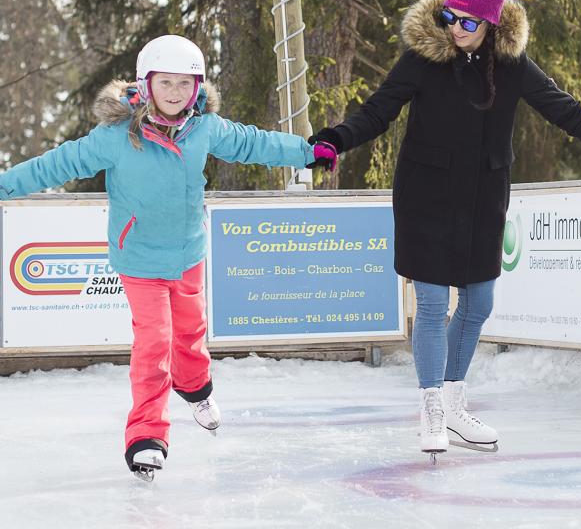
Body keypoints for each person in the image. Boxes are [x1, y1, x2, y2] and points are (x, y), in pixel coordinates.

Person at [308, 0, 581, 456]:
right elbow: (377, 111)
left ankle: (455, 401)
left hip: (483, 196)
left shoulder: (513, 66)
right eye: (449, 16)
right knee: (435, 307)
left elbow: (567, 111)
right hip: (426, 194)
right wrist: (335, 139)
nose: (455, 28)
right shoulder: (423, 59)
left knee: (479, 305)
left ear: (491, 24)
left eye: (466, 21)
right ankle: (432, 405)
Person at [0, 34, 337, 480]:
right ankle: (146, 436)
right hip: (139, 259)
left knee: (192, 332)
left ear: (197, 87)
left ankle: (196, 389)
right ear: (147, 83)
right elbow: (54, 165)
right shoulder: (116, 136)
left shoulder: (205, 128)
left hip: (188, 253)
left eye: (185, 84)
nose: (176, 93)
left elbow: (253, 143)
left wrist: (306, 151)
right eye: (167, 83)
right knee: (154, 344)